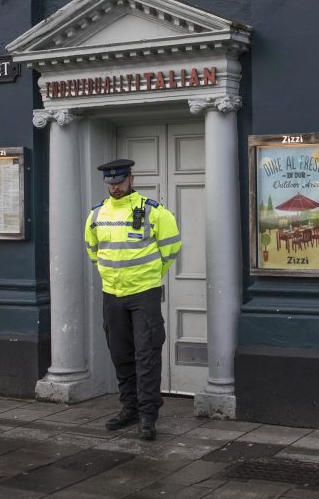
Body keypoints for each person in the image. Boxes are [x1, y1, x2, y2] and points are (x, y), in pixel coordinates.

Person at [84, 159, 182, 440]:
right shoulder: (96, 215)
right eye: (110, 183)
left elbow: (171, 248)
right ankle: (130, 408)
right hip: (112, 294)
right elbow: (93, 250)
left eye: (119, 181)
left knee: (147, 354)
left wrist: (151, 276)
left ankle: (148, 416)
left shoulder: (154, 212)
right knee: (121, 355)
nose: (115, 187)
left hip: (143, 295)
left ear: (131, 179)